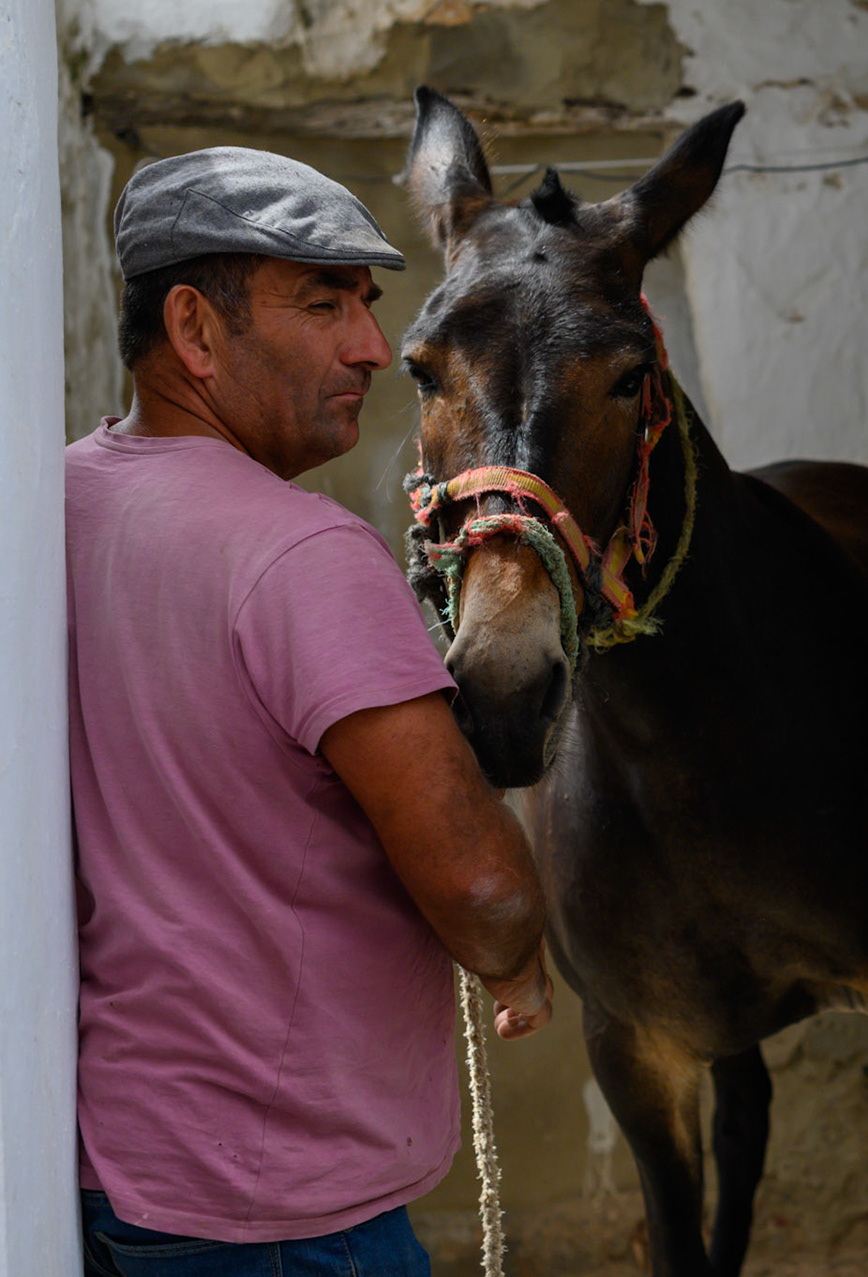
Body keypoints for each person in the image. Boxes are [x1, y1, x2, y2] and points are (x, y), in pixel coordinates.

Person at [66, 147, 553, 1274]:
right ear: (194, 330)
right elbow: (478, 883)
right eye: (321, 303)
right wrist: (515, 950)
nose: (372, 348)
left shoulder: (59, 500)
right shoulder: (305, 553)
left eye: (368, 308)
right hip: (283, 1215)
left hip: (124, 1172)